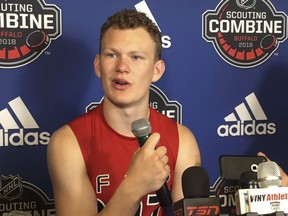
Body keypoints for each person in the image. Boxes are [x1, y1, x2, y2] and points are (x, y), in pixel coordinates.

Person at [47, 9, 201, 216]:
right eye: (112, 55)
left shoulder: (182, 140)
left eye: (136, 57)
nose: (122, 67)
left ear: (157, 71)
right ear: (98, 65)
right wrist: (134, 187)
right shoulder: (67, 142)